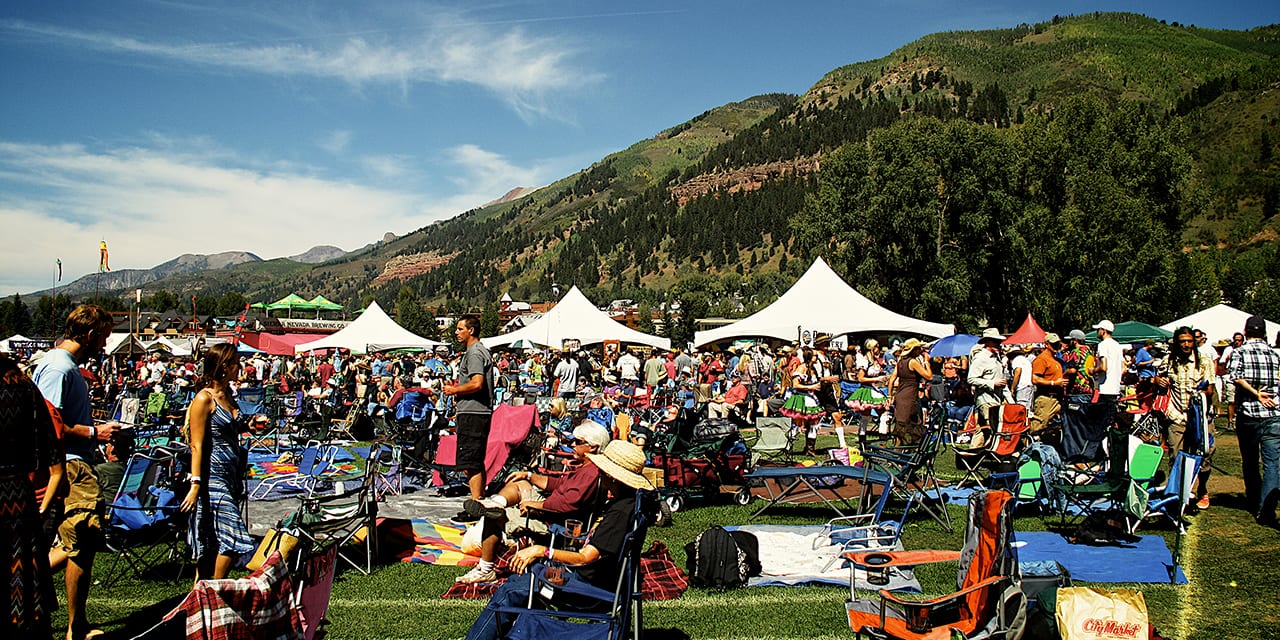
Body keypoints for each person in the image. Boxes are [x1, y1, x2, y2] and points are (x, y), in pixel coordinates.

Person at [464, 440, 653, 640]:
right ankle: (522, 630)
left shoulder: (620, 514)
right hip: (591, 580)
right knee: (528, 577)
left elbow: (585, 558)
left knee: (513, 589)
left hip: (584, 589)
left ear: (612, 477)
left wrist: (542, 550)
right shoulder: (629, 504)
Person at [33, 304, 119, 640]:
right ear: (88, 334)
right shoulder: (59, 369)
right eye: (103, 337)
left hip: (74, 460)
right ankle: (71, 622)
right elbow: (48, 424)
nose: (105, 345)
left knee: (81, 543)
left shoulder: (65, 366)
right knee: (79, 540)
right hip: (68, 464)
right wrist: (97, 433)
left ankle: (76, 623)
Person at [454, 422, 612, 584]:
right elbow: (558, 484)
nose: (572, 445)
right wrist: (529, 475)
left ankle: (485, 570)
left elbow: (568, 504)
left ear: (593, 447)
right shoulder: (587, 468)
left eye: (578, 442)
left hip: (554, 521)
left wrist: (535, 505)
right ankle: (495, 504)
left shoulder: (590, 474)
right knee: (520, 485)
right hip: (552, 510)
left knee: (493, 519)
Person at [179, 343, 260, 581]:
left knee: (211, 542)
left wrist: (247, 425)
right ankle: (215, 591)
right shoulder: (205, 399)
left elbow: (231, 428)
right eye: (236, 362)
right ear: (224, 366)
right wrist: (195, 484)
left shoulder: (228, 395)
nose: (240, 366)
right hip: (211, 477)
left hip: (230, 474)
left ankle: (198, 598)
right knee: (233, 538)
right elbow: (197, 444)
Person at [1, 354, 64, 638]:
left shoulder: (21, 386)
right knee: (24, 593)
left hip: (14, 496)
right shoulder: (23, 385)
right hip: (17, 496)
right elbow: (51, 452)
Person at [1155, 326, 1216, 509]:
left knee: (1205, 455)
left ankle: (1202, 489)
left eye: (1189, 341)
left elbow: (1210, 389)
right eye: (1183, 341)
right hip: (1176, 414)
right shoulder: (1169, 361)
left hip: (1200, 416)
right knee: (1175, 455)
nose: (1186, 344)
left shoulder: (1204, 361)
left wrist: (1200, 396)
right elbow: (1159, 381)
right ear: (1177, 343)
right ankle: (1176, 496)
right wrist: (1158, 381)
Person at [1228, 315, 1280, 527]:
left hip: (1249, 413)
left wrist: (1255, 393)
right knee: (1272, 464)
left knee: (1250, 461)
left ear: (1246, 332)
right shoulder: (1274, 354)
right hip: (1274, 413)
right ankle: (1266, 508)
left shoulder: (1239, 352)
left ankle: (1254, 500)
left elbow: (1235, 376)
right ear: (1264, 333)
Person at [444, 315, 496, 520]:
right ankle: (478, 501)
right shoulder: (480, 351)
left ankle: (475, 506)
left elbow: (477, 383)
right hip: (477, 412)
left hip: (474, 412)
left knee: (471, 461)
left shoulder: (474, 353)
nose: (456, 332)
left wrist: (454, 390)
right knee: (475, 460)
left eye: (459, 329)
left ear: (471, 331)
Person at [780, 348, 825, 456]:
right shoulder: (801, 368)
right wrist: (812, 386)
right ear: (809, 357)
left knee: (814, 423)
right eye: (815, 356)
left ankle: (810, 450)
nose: (817, 358)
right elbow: (795, 385)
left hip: (811, 399)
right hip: (801, 398)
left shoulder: (813, 368)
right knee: (797, 424)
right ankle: (787, 448)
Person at [888, 338, 932, 446]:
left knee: (909, 423)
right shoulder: (913, 362)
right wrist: (926, 361)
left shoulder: (900, 362)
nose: (920, 351)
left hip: (900, 395)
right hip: (909, 397)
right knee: (904, 427)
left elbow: (892, 379)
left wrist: (889, 395)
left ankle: (913, 449)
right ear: (913, 350)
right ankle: (898, 454)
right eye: (918, 349)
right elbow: (929, 376)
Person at [968, 328, 1009, 438]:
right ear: (987, 342)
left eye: (999, 341)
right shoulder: (980, 358)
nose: (999, 344)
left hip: (997, 398)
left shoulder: (997, 359)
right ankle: (995, 453)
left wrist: (1011, 402)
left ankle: (971, 453)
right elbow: (971, 379)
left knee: (981, 430)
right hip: (985, 399)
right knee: (993, 428)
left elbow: (1003, 384)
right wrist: (992, 383)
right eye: (996, 341)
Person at [1029, 334, 1067, 434]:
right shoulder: (1041, 359)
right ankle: (1032, 447)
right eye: (1053, 344)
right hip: (1046, 399)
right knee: (1039, 427)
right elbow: (1035, 379)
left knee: (1053, 428)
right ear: (1046, 344)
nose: (1056, 346)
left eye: (1058, 344)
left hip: (1057, 399)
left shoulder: (1056, 360)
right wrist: (1053, 383)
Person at [1091, 320, 1125, 426]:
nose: (1097, 332)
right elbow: (1124, 367)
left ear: (1103, 331)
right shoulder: (1117, 345)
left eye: (1098, 330)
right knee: (1110, 421)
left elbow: (1104, 367)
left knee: (1100, 422)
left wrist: (1093, 370)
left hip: (1105, 388)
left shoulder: (1103, 345)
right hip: (1115, 388)